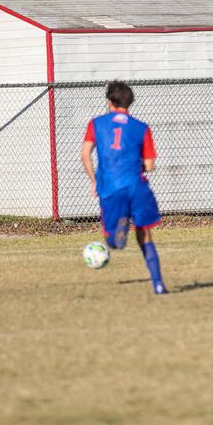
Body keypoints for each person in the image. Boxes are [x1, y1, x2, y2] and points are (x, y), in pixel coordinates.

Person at [81, 81, 168, 294]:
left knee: (113, 242)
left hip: (111, 187)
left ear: (109, 101)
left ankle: (120, 230)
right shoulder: (141, 127)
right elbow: (150, 165)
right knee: (144, 233)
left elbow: (85, 156)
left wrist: (95, 181)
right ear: (129, 102)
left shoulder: (96, 124)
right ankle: (158, 284)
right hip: (137, 186)